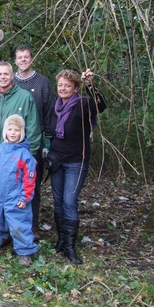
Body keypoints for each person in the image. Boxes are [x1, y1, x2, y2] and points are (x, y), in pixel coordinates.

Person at [48, 69, 106, 265]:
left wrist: (90, 84)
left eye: (67, 86)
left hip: (76, 161)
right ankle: (62, 239)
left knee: (69, 202)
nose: (63, 89)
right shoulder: (56, 107)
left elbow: (100, 106)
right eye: (60, 85)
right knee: (57, 201)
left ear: (75, 88)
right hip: (56, 160)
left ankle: (71, 246)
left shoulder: (83, 103)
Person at [0, 115, 38, 266]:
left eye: (16, 130)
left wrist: (25, 198)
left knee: (19, 224)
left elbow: (29, 179)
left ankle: (25, 252)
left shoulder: (25, 155)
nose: (13, 133)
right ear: (5, 131)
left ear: (22, 132)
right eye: (10, 129)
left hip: (16, 195)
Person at [14, 45, 56, 239]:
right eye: (19, 57)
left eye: (26, 57)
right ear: (15, 60)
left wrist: (47, 141)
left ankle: (33, 225)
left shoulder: (42, 83)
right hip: (13, 141)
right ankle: (14, 224)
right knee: (14, 184)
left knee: (33, 184)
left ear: (31, 59)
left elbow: (50, 113)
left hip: (34, 141)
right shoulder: (10, 82)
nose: (23, 60)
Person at [0, 62, 41, 167]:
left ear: (12, 76)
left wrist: (28, 155)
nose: (2, 77)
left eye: (6, 74)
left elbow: (33, 130)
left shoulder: (25, 97)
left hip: (17, 159)